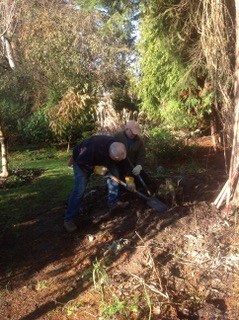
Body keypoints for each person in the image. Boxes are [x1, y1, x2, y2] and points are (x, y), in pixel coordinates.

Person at [64, 135, 130, 232]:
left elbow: (125, 165)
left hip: (100, 159)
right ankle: (68, 219)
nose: (119, 161)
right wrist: (95, 168)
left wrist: (130, 180)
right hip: (82, 162)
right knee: (79, 189)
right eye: (116, 160)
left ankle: (113, 203)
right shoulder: (91, 148)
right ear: (110, 155)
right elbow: (81, 161)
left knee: (114, 176)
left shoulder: (118, 147)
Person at [113, 120, 151, 190]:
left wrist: (139, 166)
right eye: (132, 132)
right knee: (120, 184)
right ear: (126, 129)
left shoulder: (139, 141)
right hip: (118, 166)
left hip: (132, 166)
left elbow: (141, 155)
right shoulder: (117, 137)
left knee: (145, 180)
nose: (133, 135)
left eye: (135, 133)